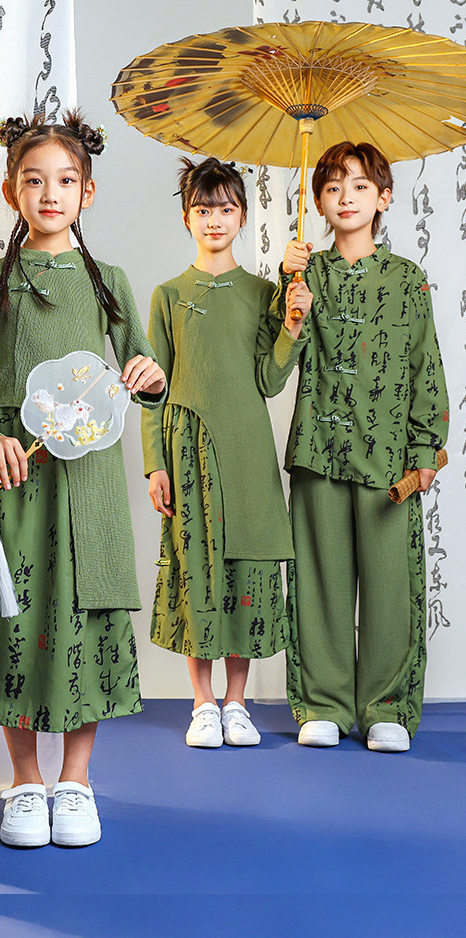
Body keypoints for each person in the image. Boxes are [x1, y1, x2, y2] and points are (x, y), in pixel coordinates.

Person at [0, 111, 166, 848]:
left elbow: (143, 365)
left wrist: (149, 372)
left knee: (86, 610)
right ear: (12, 193)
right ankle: (24, 781)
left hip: (92, 473)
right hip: (17, 472)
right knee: (17, 618)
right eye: (34, 181)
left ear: (89, 192)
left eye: (65, 181)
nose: (50, 193)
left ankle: (75, 780)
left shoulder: (112, 283)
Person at [279, 141, 448, 752]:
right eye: (330, 187)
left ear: (384, 197)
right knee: (318, 579)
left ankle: (387, 708)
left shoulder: (406, 280)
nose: (344, 197)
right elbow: (273, 368)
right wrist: (288, 293)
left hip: (389, 459)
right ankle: (321, 702)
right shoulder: (306, 275)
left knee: (388, 586)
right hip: (319, 450)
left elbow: (426, 365)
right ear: (317, 202)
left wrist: (427, 449)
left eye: (357, 185)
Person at [141, 158, 312, 749]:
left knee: (245, 567)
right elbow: (150, 386)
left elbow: (269, 379)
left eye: (226, 208)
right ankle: (202, 702)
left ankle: (237, 702)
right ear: (186, 215)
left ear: (242, 214)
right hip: (187, 450)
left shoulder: (265, 292)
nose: (215, 219)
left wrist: (291, 323)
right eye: (203, 208)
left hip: (245, 450)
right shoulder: (168, 296)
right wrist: (154, 463)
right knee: (197, 568)